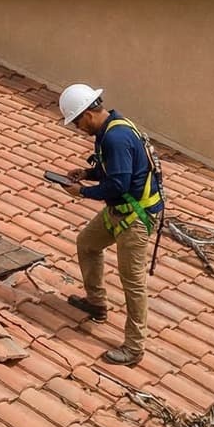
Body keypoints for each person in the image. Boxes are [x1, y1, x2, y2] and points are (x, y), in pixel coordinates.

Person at [55, 83, 163, 366]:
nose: (78, 128)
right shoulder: (109, 130)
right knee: (87, 244)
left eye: (77, 122)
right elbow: (113, 169)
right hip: (119, 210)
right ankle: (97, 303)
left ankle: (134, 346)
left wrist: (83, 192)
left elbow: (118, 184)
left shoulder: (116, 137)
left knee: (133, 282)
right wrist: (88, 173)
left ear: (88, 113)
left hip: (134, 217)